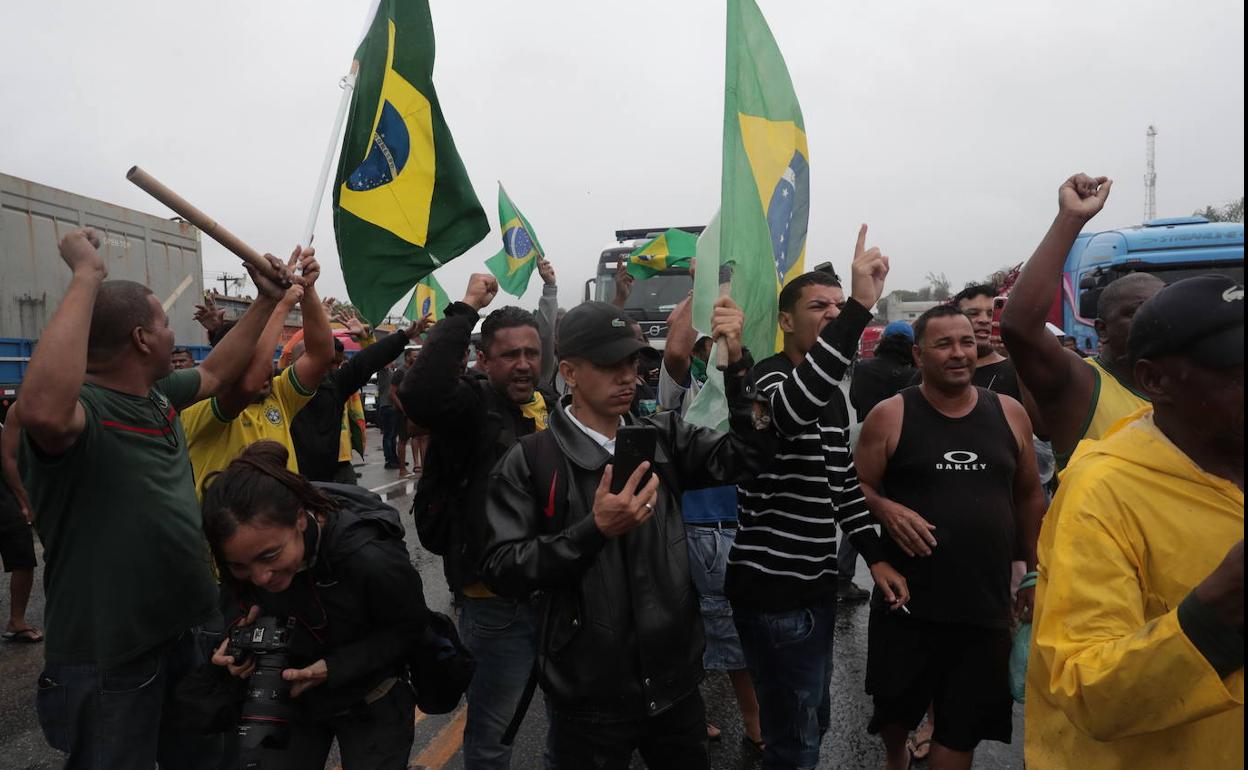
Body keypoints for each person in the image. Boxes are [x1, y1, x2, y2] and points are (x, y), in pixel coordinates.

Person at [17, 227, 294, 767]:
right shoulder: (84, 415)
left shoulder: (157, 397)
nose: (176, 336)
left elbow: (215, 371)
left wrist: (266, 301)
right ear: (143, 338)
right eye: (166, 326)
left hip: (185, 635)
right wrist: (85, 274)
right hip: (112, 659)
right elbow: (43, 410)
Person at [481, 298, 776, 770]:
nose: (627, 376)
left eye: (632, 361)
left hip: (675, 684)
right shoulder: (529, 461)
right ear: (571, 372)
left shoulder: (663, 436)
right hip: (588, 697)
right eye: (608, 364)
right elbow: (503, 569)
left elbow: (749, 455)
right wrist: (593, 531)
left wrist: (737, 365)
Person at [1025, 275, 1244, 770]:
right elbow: (1084, 688)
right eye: (1237, 372)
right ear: (1154, 381)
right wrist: (1213, 619)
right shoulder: (1100, 493)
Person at [726, 227, 907, 770]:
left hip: (814, 587)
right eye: (818, 306)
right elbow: (787, 414)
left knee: (812, 719)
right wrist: (856, 307)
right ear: (785, 321)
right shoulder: (770, 381)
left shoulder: (831, 395)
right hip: (773, 593)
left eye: (836, 305)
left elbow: (842, 484)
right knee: (796, 739)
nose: (831, 313)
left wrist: (874, 556)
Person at [855, 305, 1046, 770]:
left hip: (984, 605)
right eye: (944, 344)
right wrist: (883, 507)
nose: (959, 353)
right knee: (896, 711)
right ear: (919, 355)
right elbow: (854, 487)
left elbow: (1028, 496)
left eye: (966, 342)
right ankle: (896, 757)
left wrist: (1033, 568)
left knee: (961, 729)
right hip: (907, 600)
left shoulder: (1010, 412)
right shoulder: (890, 415)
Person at [398, 273, 556, 770]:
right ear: (483, 361)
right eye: (510, 355)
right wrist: (465, 308)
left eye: (532, 353)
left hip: (556, 594)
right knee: (492, 734)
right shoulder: (469, 404)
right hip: (496, 609)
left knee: (571, 720)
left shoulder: (545, 406)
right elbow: (420, 393)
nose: (524, 364)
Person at [203, 441, 431, 770]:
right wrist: (236, 636)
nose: (261, 577)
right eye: (241, 566)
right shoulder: (243, 555)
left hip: (372, 696)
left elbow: (410, 628)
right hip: (290, 698)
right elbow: (233, 598)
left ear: (300, 520)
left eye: (270, 556)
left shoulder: (369, 559)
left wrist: (333, 668)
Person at [1000, 173, 1164, 466]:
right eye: (1135, 311)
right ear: (1101, 329)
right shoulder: (1079, 383)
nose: (1150, 319)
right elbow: (1019, 327)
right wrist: (1071, 218)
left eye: (1159, 308)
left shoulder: (1190, 384)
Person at [658, 294, 763, 749]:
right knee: (701, 630)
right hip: (701, 529)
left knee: (725, 630)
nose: (719, 347)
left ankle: (743, 720)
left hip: (740, 525)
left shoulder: (744, 385)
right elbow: (675, 352)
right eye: (712, 341)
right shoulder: (680, 394)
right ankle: (753, 727)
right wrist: (700, 288)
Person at [183, 260, 334, 496]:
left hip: (286, 524)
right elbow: (248, 384)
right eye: (254, 360)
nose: (266, 369)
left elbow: (320, 355)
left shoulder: (279, 395)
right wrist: (281, 304)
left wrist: (308, 290)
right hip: (229, 529)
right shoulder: (197, 410)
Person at [288, 311, 429, 484]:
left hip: (335, 470)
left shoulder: (334, 384)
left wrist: (405, 335)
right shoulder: (277, 387)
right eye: (307, 358)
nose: (311, 364)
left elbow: (369, 360)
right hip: (290, 477)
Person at [0, 412, 41, 643]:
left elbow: (10, 460)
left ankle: (17, 621)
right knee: (22, 556)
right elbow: (9, 461)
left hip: (7, 501)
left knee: (23, 557)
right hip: (7, 501)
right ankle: (16, 621)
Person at [850, 321, 917, 422]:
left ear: (883, 341)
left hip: (867, 431)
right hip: (902, 435)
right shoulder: (914, 375)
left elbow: (854, 402)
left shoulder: (862, 367)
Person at [375, 359, 399, 469]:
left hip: (392, 407)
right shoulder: (383, 373)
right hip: (386, 407)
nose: (393, 361)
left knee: (393, 435)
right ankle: (389, 460)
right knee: (388, 435)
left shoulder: (391, 372)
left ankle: (394, 458)